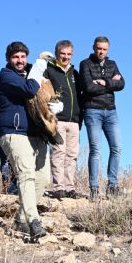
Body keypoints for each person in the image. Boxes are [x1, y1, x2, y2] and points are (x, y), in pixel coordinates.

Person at [0, 41, 50, 240]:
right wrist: (37, 67)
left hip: (37, 133)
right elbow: (29, 90)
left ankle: (20, 218)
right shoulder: (6, 76)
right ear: (9, 59)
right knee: (26, 174)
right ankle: (33, 221)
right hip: (14, 131)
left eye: (22, 57)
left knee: (44, 178)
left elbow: (45, 93)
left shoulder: (33, 73)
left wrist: (55, 105)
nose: (20, 61)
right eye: (15, 57)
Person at [79, 36, 125, 199]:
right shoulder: (85, 64)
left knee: (117, 148)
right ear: (93, 47)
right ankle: (94, 189)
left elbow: (122, 84)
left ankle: (112, 186)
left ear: (108, 49)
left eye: (104, 49)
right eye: (99, 48)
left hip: (111, 111)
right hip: (93, 110)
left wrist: (104, 82)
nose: (101, 51)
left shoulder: (112, 64)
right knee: (95, 150)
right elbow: (88, 87)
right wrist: (111, 83)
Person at [46, 40, 82, 199]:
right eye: (63, 54)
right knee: (58, 153)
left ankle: (69, 187)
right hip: (57, 119)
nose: (66, 57)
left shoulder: (75, 73)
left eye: (69, 54)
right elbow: (43, 91)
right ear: (57, 54)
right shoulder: (49, 70)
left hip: (74, 120)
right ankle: (58, 187)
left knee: (72, 155)